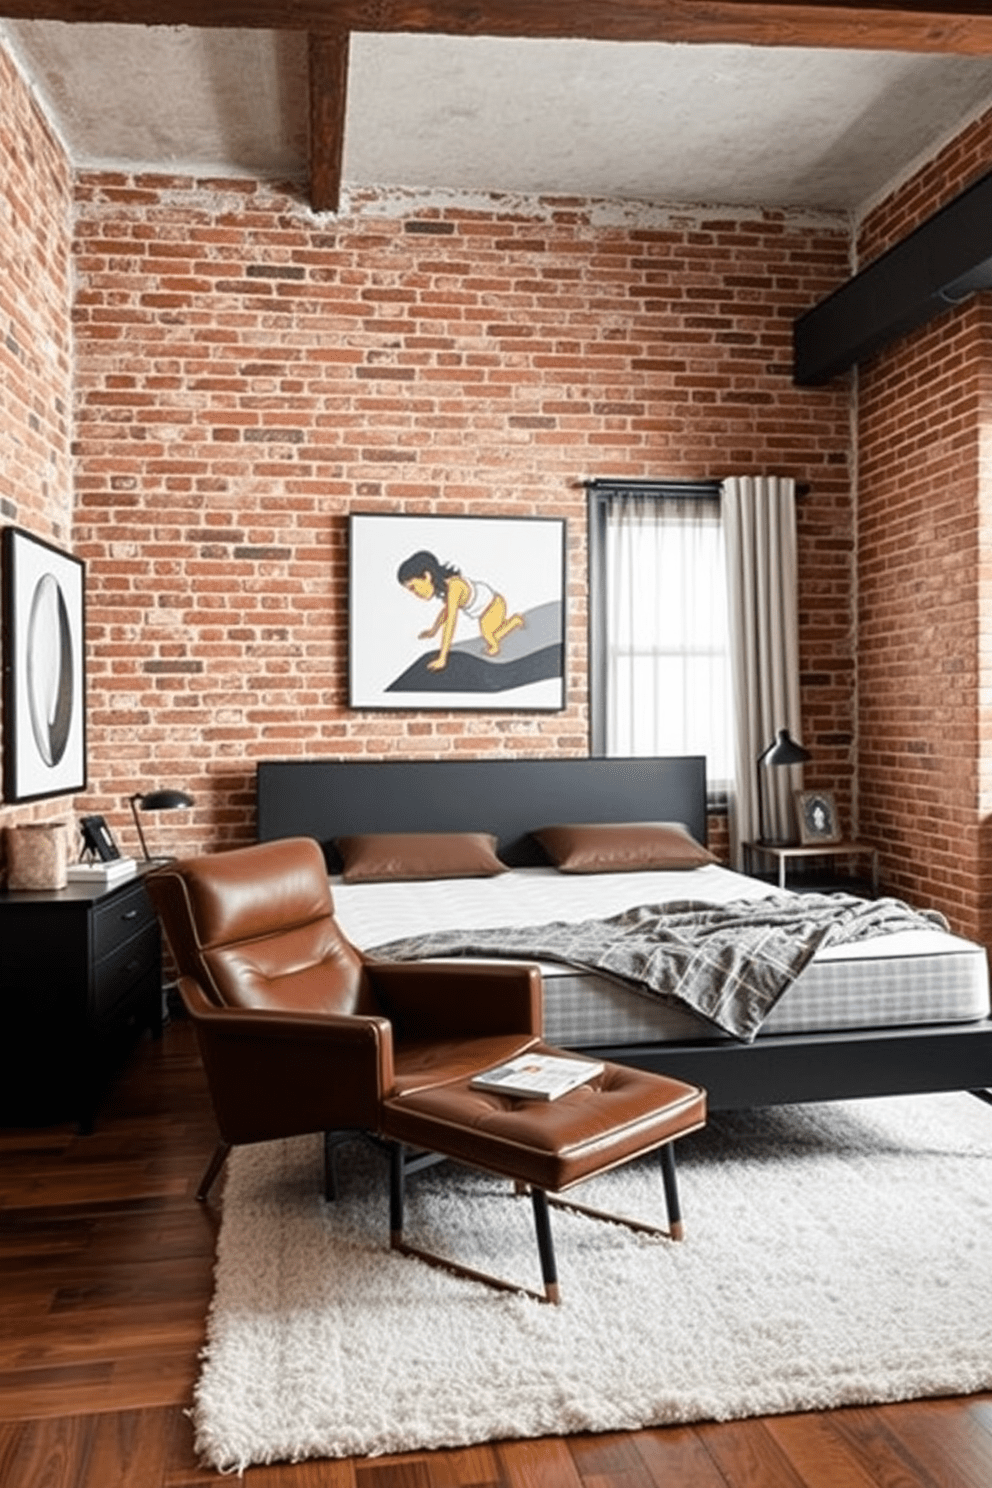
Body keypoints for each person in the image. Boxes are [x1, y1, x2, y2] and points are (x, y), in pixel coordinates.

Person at [397, 550, 524, 671]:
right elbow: (445, 612)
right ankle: (512, 623)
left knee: (491, 642)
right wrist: (433, 630)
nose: (415, 594)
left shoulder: (454, 587)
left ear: (426, 576)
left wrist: (442, 658)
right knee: (488, 635)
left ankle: (515, 621)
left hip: (493, 605)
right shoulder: (446, 588)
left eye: (413, 587)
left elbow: (450, 623)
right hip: (485, 609)